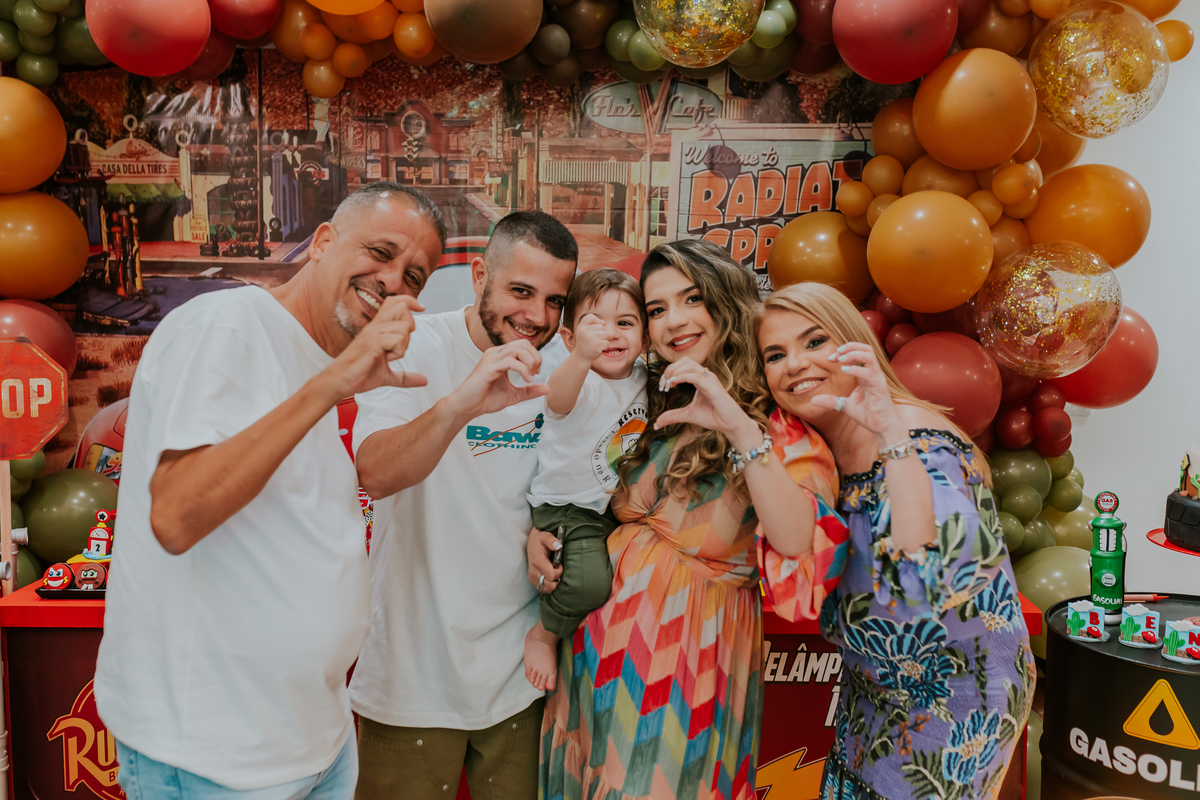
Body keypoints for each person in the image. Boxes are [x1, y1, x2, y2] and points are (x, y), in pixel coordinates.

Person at [95, 182, 446, 798]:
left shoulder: (316, 364)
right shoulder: (224, 324)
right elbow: (177, 515)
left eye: (414, 275)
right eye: (380, 252)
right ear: (323, 242)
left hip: (314, 742)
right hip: (216, 760)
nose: (394, 281)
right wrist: (335, 382)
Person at [530, 240, 849, 800]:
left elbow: (799, 538)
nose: (672, 321)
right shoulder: (654, 398)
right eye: (656, 310)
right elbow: (585, 484)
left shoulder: (775, 421)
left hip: (686, 661)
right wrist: (541, 534)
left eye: (691, 299)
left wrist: (739, 429)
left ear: (725, 302)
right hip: (590, 652)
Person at [756, 282, 1034, 800]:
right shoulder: (817, 449)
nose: (794, 364)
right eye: (776, 354)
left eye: (814, 342)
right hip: (874, 694)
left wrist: (894, 444)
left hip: (956, 701)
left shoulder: (916, 437)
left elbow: (937, 578)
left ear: (855, 344)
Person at [350, 210, 577, 800]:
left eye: (555, 300)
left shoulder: (568, 371)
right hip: (412, 673)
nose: (537, 317)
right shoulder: (418, 344)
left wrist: (549, 528)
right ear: (480, 276)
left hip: (523, 677)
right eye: (521, 291)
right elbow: (374, 472)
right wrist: (463, 403)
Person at [522, 268, 649, 693]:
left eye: (625, 324)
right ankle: (544, 634)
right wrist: (579, 361)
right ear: (570, 339)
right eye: (595, 324)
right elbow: (557, 400)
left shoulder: (644, 381)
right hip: (567, 505)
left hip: (609, 508)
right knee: (588, 583)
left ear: (645, 338)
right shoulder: (582, 379)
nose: (610, 335)